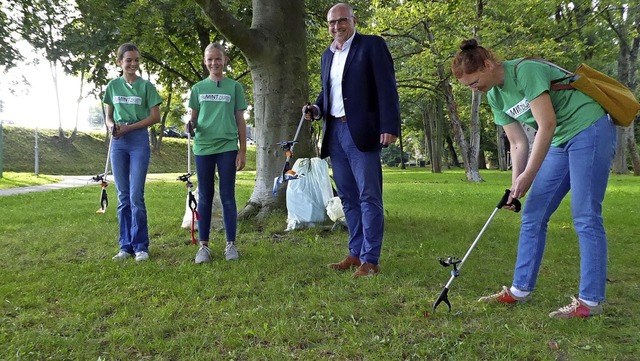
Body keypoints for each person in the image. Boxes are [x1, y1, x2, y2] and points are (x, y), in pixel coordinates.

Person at [451, 39, 617, 318]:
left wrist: (529, 174)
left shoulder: (525, 72)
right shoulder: (495, 96)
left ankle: (591, 302)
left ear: (488, 65)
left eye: (474, 81)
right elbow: (517, 143)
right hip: (561, 139)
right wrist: (517, 185)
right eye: (468, 86)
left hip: (589, 128)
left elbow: (546, 123)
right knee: (533, 213)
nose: (474, 90)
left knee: (585, 214)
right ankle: (520, 290)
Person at [304, 3, 401, 277]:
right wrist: (315, 109)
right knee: (347, 197)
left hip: (363, 133)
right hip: (334, 134)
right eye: (332, 23)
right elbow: (327, 95)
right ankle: (355, 253)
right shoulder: (327, 55)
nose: (336, 27)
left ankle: (371, 260)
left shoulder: (372, 46)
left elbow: (387, 87)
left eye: (341, 21)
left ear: (353, 20)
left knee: (369, 195)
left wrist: (390, 125)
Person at [187, 43, 247, 264]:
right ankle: (204, 246)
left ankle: (230, 244)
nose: (214, 63)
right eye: (210, 59)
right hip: (203, 147)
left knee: (228, 196)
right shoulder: (198, 89)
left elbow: (241, 120)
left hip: (228, 147)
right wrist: (190, 125)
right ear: (205, 61)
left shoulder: (235, 87)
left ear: (225, 60)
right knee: (205, 196)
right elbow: (194, 118)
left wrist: (242, 150)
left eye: (218, 59)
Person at [103, 43, 162, 262]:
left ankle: (141, 246)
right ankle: (125, 246)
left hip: (137, 140)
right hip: (118, 142)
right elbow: (108, 116)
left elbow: (154, 117)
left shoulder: (147, 87)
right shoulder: (112, 86)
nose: (133, 64)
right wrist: (111, 126)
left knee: (136, 195)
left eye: (136, 60)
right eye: (128, 60)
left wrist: (130, 127)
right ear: (120, 62)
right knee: (123, 196)